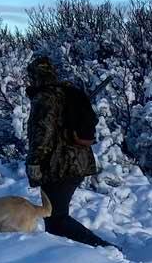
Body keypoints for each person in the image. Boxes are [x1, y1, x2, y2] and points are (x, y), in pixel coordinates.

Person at [25, 56, 116, 249]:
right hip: (77, 162)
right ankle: (68, 254)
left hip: (58, 166)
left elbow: (42, 133)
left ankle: (104, 250)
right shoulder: (68, 93)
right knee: (54, 218)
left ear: (34, 76)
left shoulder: (45, 98)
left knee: (56, 219)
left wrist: (34, 163)